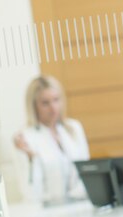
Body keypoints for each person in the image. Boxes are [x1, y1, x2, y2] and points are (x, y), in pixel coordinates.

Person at [13, 75, 89, 204]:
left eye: (56, 100)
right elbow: (30, 194)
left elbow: (87, 173)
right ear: (34, 106)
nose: (53, 108)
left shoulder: (74, 128)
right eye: (45, 103)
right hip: (48, 213)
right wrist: (31, 159)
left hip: (80, 205)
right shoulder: (25, 138)